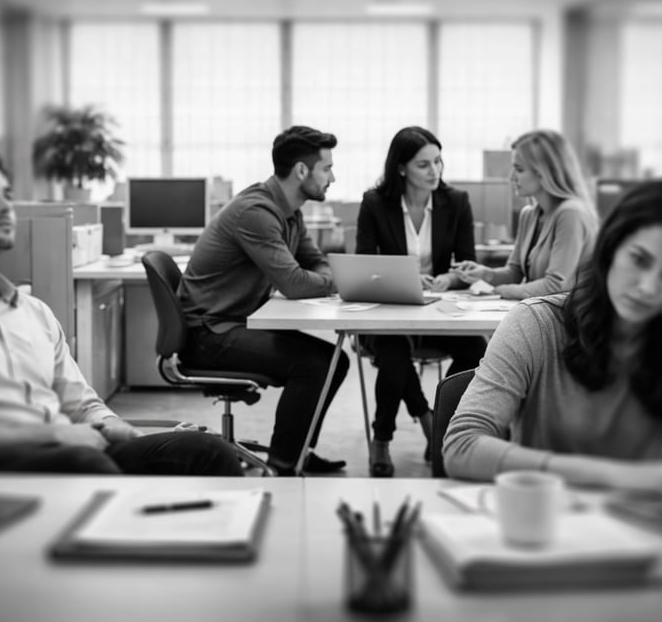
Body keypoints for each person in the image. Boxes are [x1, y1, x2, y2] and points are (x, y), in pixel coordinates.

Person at [0, 147, 242, 476]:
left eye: (6, 195)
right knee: (87, 467)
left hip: (74, 449)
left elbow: (79, 401)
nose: (4, 207)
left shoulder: (34, 311)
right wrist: (55, 434)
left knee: (209, 453)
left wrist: (108, 422)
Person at [443, 179, 662, 493]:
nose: (648, 288)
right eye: (639, 260)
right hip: (546, 526)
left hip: (645, 534)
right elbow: (461, 447)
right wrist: (609, 475)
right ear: (611, 248)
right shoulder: (537, 323)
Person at [178, 125, 350, 476]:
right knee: (315, 365)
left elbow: (313, 262)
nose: (333, 177)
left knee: (335, 361)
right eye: (327, 168)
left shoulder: (290, 211)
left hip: (232, 324)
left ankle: (299, 451)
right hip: (209, 335)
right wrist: (336, 281)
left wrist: (327, 278)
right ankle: (284, 467)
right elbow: (295, 283)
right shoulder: (256, 212)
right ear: (302, 171)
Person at [355, 126, 486, 477]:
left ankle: (443, 421)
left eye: (438, 162)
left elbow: (467, 262)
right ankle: (385, 437)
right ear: (401, 168)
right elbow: (365, 263)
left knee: (476, 348)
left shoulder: (455, 202)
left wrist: (452, 277)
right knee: (393, 350)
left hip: (440, 312)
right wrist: (404, 277)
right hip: (389, 313)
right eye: (424, 165)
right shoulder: (375, 203)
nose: (435, 171)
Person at [453, 129, 598, 300]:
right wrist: (484, 274)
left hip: (570, 319)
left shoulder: (570, 213)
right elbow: (514, 272)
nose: (511, 177)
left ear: (544, 172)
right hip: (540, 313)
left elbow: (555, 286)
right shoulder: (529, 215)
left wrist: (497, 291)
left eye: (519, 169)